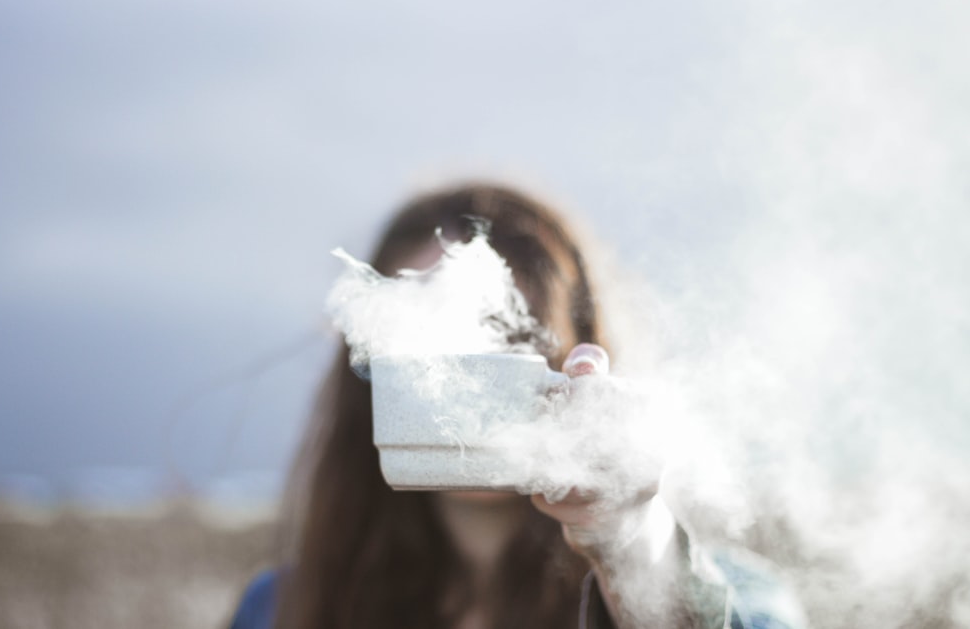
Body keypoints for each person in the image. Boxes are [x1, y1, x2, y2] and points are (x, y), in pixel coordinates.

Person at [228, 182, 806, 629]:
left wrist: (628, 539)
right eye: (427, 328)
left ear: (580, 355)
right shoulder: (282, 608)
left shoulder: (730, 596)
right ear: (370, 373)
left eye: (506, 329)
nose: (467, 362)